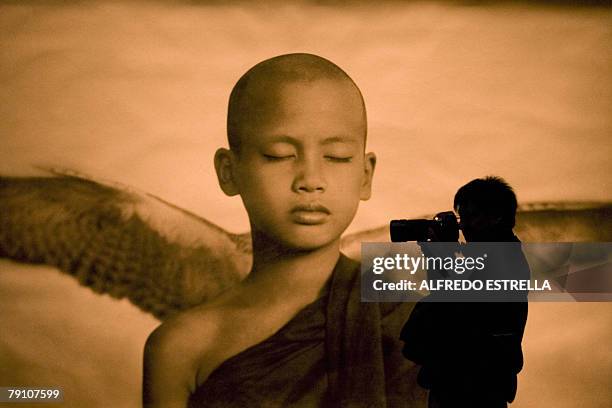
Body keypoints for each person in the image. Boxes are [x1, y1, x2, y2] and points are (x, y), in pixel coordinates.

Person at [142, 53, 426, 407]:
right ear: (229, 172)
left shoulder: (413, 314)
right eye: (278, 155)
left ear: (365, 176)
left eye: (336, 156)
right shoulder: (182, 347)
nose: (310, 181)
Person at [400, 176, 530, 408]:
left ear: (497, 216)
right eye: (463, 217)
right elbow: (445, 295)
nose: (463, 225)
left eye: (472, 216)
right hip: (459, 381)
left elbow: (461, 306)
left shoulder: (504, 259)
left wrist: (441, 253)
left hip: (475, 386)